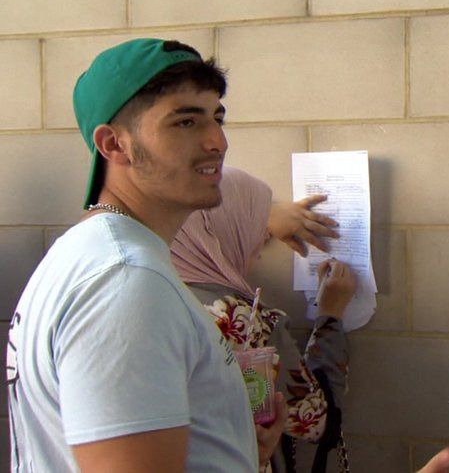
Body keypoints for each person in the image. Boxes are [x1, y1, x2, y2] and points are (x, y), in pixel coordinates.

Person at [5, 38, 279, 471]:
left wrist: (233, 445)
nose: (218, 142)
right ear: (114, 145)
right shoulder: (125, 281)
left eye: (217, 117)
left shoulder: (99, 255)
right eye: (185, 122)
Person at [171, 166, 356, 472]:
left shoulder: (154, 294)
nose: (257, 248)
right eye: (252, 227)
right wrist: (330, 314)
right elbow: (315, 421)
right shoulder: (243, 319)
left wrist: (264, 219)